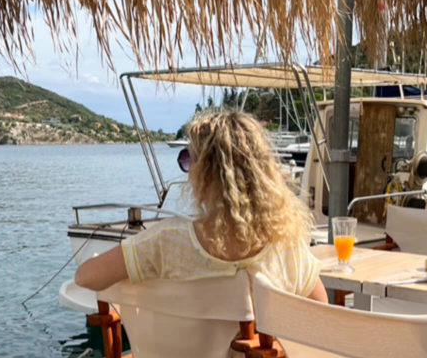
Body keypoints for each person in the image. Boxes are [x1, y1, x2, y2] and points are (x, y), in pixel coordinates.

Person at [74, 109, 326, 303]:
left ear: (204, 173)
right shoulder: (286, 247)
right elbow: (319, 308)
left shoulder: (167, 242)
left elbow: (85, 277)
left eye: (188, 160)